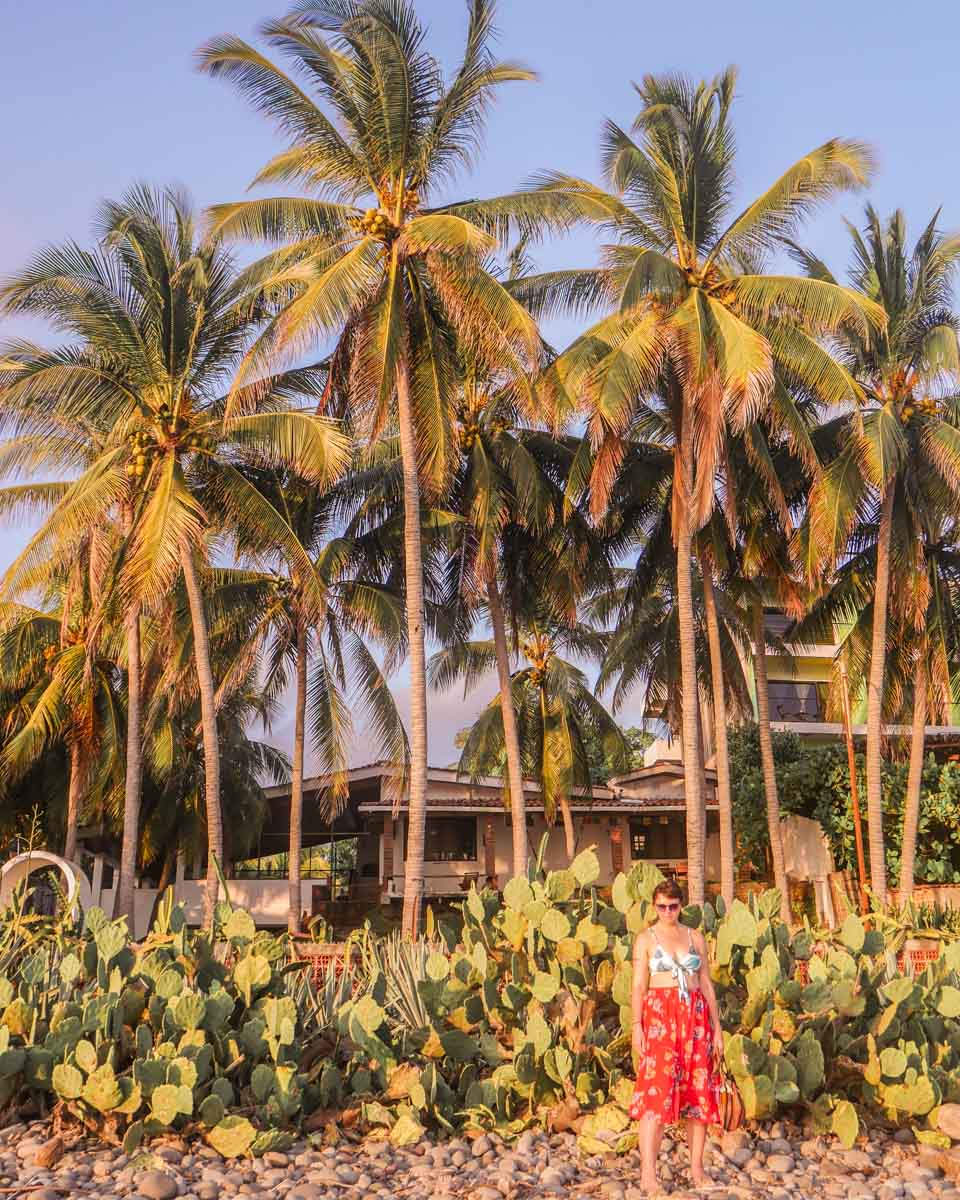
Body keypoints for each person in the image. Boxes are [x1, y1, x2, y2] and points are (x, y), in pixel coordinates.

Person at [630, 879, 722, 1194]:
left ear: (681, 905)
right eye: (661, 906)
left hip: (695, 1018)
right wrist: (636, 1026)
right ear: (654, 906)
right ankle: (648, 1175)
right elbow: (639, 985)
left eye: (673, 906)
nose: (668, 912)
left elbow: (706, 983)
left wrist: (717, 1029)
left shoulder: (695, 937)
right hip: (659, 1018)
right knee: (655, 1094)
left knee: (699, 1095)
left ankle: (697, 1170)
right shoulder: (646, 939)